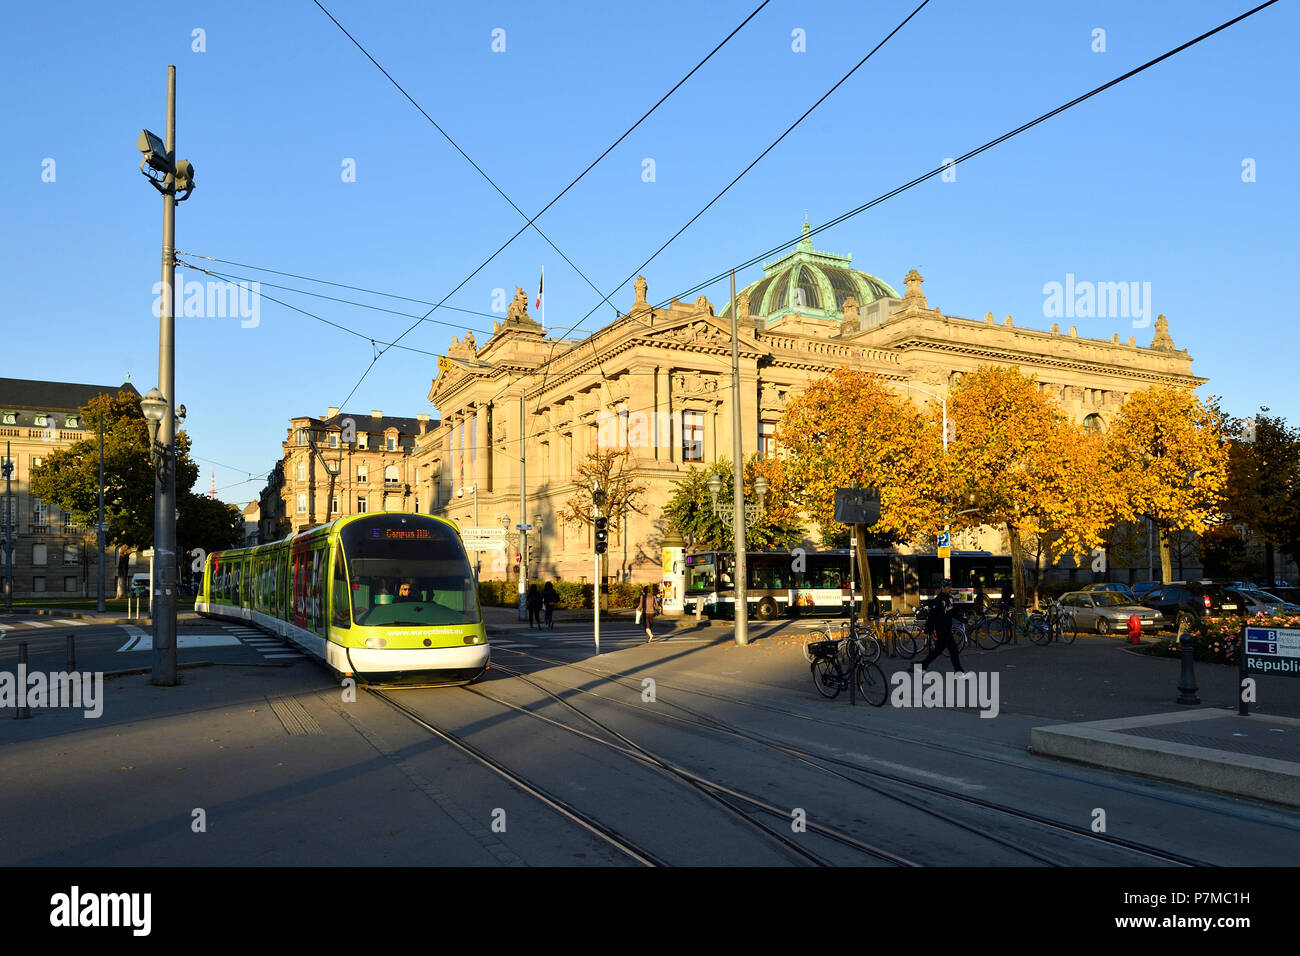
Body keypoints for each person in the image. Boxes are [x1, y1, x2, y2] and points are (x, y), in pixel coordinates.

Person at [920, 578, 966, 673]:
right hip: (941, 629)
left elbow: (954, 613)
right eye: (948, 587)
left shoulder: (950, 598)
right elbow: (932, 617)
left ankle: (922, 666)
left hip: (947, 628)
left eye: (950, 586)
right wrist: (927, 631)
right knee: (953, 649)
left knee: (937, 651)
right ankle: (959, 672)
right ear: (942, 587)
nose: (950, 588)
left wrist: (965, 620)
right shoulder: (938, 600)